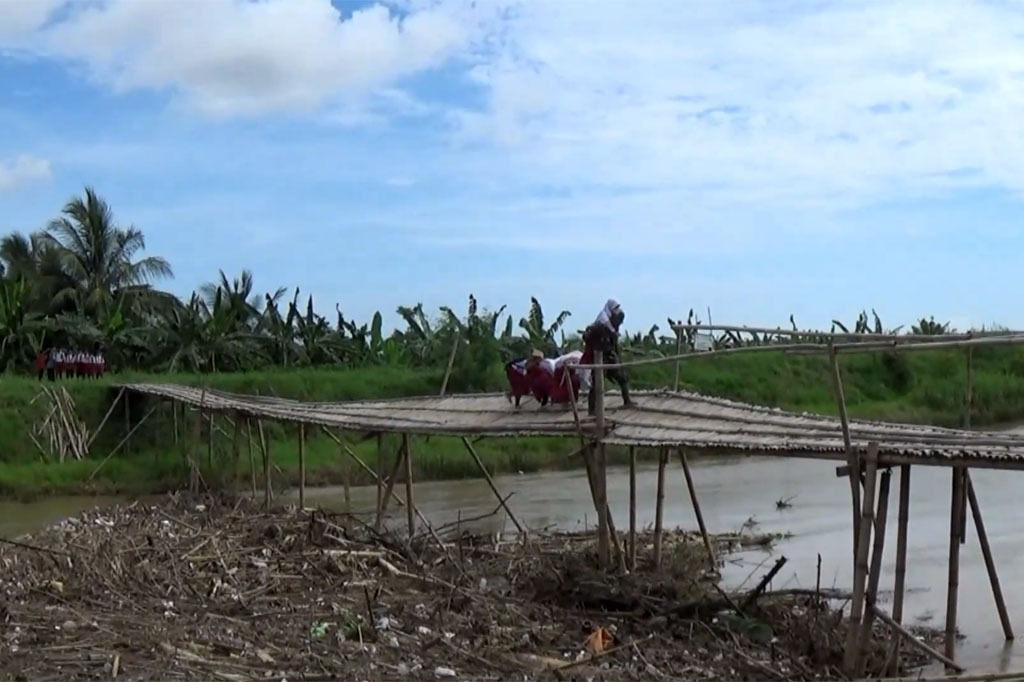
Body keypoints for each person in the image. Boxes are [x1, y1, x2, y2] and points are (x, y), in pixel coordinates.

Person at [581, 298, 632, 413]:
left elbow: (614, 343)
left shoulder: (613, 326)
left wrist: (618, 358)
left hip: (609, 356)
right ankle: (592, 410)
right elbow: (589, 337)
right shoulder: (600, 323)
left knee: (622, 377)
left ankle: (627, 400)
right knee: (597, 384)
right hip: (599, 357)